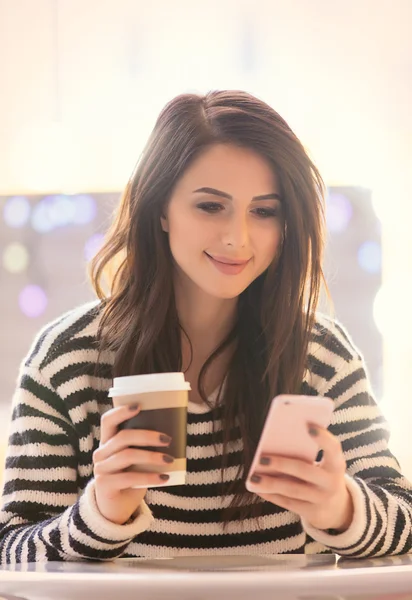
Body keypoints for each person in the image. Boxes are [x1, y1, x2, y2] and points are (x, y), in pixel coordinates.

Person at [0, 90, 411, 565]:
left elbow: (404, 517)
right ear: (160, 210)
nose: (237, 236)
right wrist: (102, 511)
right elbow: (11, 553)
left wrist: (339, 506)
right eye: (210, 206)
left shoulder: (320, 355)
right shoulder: (66, 360)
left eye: (264, 211)